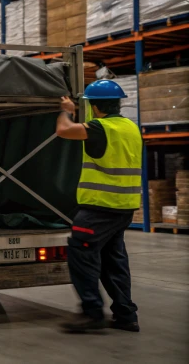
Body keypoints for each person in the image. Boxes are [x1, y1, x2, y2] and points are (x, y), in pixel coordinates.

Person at [55, 80, 141, 333]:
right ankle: (126, 315)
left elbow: (63, 130)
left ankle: (91, 313)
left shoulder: (99, 128)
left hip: (98, 209)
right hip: (124, 207)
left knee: (81, 255)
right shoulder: (130, 127)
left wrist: (66, 110)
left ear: (94, 106)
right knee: (113, 261)